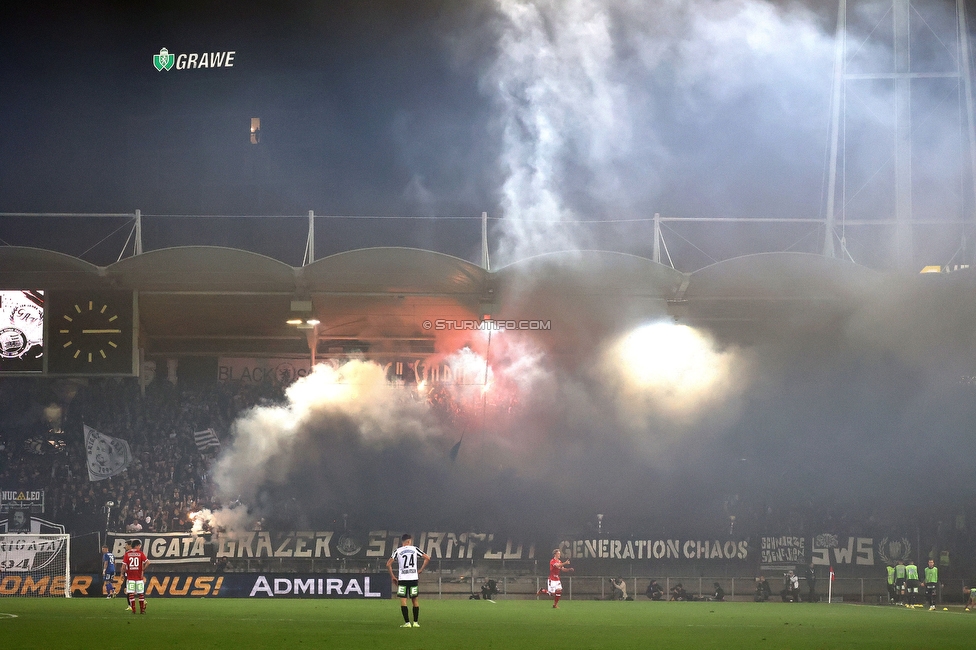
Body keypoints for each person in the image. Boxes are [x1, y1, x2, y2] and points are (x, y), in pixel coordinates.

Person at [386, 533, 430, 628]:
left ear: (403, 542)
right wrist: (421, 569)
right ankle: (415, 622)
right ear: (409, 541)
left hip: (403, 579)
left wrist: (393, 576)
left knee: (403, 600)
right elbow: (427, 558)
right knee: (415, 601)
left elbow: (388, 564)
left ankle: (407, 623)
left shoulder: (398, 551)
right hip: (413, 578)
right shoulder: (414, 549)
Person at [123, 539, 150, 614]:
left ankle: (134, 610)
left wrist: (122, 574)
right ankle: (142, 610)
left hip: (130, 577)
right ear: (137, 546)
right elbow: (148, 562)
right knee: (141, 594)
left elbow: (123, 566)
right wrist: (143, 569)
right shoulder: (140, 553)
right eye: (140, 546)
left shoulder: (127, 554)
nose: (140, 547)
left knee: (131, 594)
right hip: (139, 578)